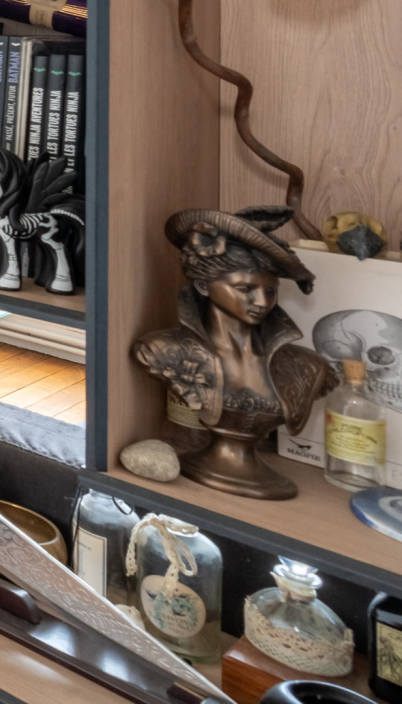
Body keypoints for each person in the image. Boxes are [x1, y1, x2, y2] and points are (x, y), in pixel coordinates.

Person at [133, 207, 335, 499]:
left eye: (271, 291)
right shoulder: (161, 351)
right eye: (245, 288)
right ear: (203, 285)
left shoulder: (309, 367)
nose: (262, 301)